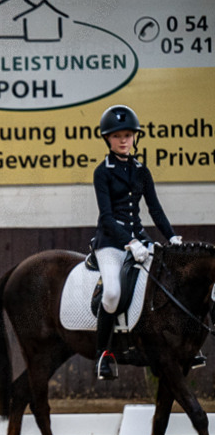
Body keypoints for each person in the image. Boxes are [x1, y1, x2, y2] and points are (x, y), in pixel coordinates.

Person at [93, 104, 182, 380]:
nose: (124, 141)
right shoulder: (102, 172)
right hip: (110, 242)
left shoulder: (142, 170)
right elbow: (107, 217)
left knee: (169, 281)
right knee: (111, 295)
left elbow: (154, 209)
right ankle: (103, 354)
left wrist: (171, 237)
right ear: (108, 138)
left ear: (135, 137)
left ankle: (180, 347)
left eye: (128, 135)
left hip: (139, 239)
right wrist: (129, 242)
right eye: (118, 136)